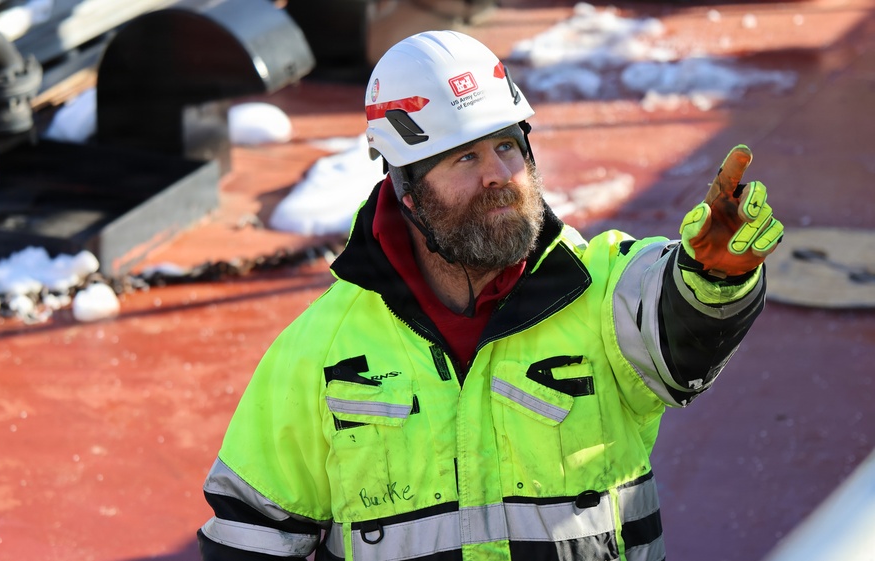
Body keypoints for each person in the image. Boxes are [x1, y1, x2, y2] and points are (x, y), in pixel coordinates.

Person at [196, 30, 783, 561]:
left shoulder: (603, 289)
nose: (498, 174)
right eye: (465, 156)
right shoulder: (320, 348)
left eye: (507, 146)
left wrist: (715, 278)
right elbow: (253, 532)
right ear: (404, 188)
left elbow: (681, 331)